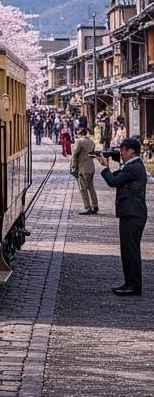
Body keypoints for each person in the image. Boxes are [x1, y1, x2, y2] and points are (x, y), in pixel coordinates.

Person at [98, 137, 148, 296]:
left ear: (131, 151)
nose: (121, 154)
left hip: (133, 214)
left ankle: (134, 285)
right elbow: (117, 175)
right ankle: (129, 283)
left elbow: (113, 181)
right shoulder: (132, 166)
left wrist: (105, 168)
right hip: (131, 213)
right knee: (127, 251)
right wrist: (108, 165)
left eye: (123, 151)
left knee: (131, 251)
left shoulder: (133, 167)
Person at [68, 123, 98, 215]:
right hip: (91, 167)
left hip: (82, 168)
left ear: (79, 133)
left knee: (83, 188)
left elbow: (74, 155)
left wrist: (72, 167)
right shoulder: (91, 142)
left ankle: (87, 207)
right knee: (91, 187)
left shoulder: (80, 142)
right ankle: (95, 205)